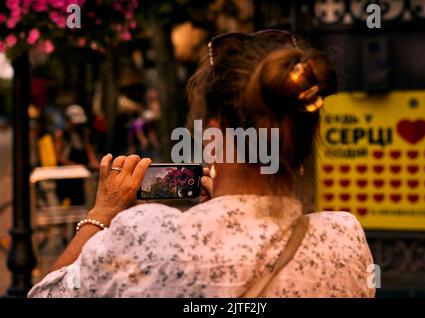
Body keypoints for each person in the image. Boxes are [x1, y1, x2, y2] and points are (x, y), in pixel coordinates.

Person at [29, 30, 375, 298]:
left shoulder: (145, 237)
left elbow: (45, 293)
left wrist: (103, 211)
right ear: (302, 140)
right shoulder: (344, 239)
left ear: (212, 138)